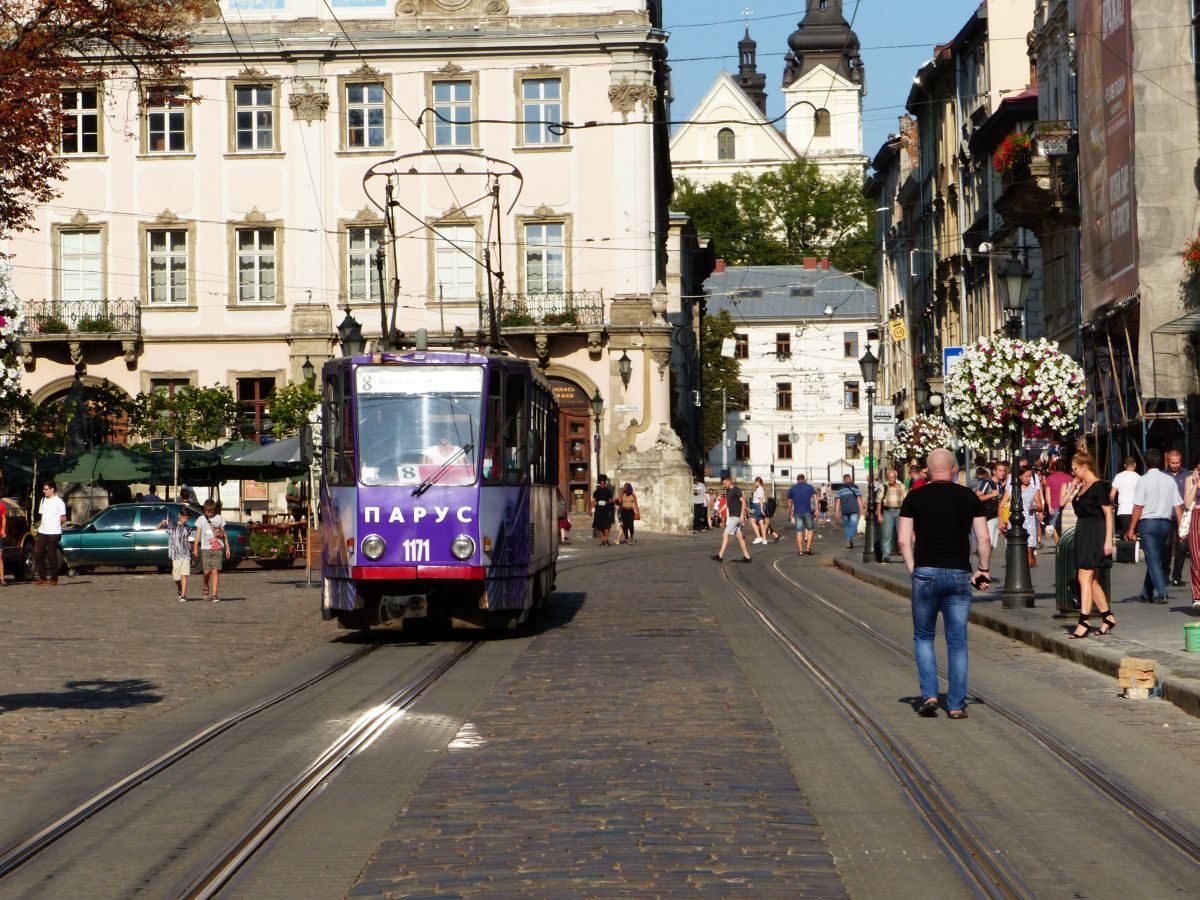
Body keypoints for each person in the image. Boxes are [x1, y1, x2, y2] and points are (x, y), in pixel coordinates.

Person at [897, 448, 991, 720]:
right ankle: (955, 705)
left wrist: (914, 569)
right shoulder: (969, 496)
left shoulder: (914, 496)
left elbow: (904, 540)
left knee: (924, 637)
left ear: (927, 471)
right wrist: (983, 569)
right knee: (957, 643)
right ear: (954, 471)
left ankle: (928, 695)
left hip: (926, 573)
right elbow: (983, 539)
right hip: (960, 574)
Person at [1123, 448, 1183, 604]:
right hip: (1165, 523)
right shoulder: (1169, 480)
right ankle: (1146, 592)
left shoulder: (1143, 480)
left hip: (1148, 523)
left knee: (1152, 558)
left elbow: (1138, 506)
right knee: (1155, 557)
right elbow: (1178, 507)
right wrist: (1182, 528)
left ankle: (1162, 592)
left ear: (1145, 463)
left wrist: (1131, 528)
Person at [1067, 447, 1115, 638]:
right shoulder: (1082, 486)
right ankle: (1107, 616)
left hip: (1095, 531)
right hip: (1083, 530)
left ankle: (1084, 620)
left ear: (1085, 467)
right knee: (1091, 578)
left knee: (1083, 576)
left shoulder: (1098, 486)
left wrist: (1108, 540)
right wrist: (1073, 488)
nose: (1074, 472)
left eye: (1075, 468)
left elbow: (1108, 514)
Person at [193, 499, 230, 602]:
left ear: (215, 511)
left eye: (211, 512)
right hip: (205, 548)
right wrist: (195, 548)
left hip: (217, 548)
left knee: (215, 571)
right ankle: (205, 585)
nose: (209, 514)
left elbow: (224, 534)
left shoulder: (219, 518)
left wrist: (227, 548)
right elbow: (198, 535)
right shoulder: (201, 519)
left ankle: (214, 594)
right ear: (204, 510)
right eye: (207, 512)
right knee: (206, 571)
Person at [712, 474, 752, 563]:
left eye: (725, 483)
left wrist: (742, 515)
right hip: (733, 516)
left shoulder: (736, 490)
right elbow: (727, 503)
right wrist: (719, 511)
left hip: (736, 517)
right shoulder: (728, 491)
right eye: (723, 484)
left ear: (729, 481)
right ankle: (747, 557)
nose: (724, 485)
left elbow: (743, 502)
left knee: (725, 534)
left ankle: (720, 556)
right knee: (739, 537)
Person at [34, 482, 67, 586]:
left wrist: (56, 524)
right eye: (44, 489)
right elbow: (42, 515)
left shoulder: (59, 502)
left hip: (54, 532)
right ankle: (42, 578)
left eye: (46, 489)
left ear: (52, 489)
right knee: (39, 553)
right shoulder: (43, 500)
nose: (44, 491)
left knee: (52, 554)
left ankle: (54, 579)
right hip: (43, 530)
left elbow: (63, 518)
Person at [1165, 449, 1190, 587]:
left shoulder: (1187, 475)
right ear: (1168, 461)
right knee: (1167, 546)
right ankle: (1165, 575)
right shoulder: (1163, 475)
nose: (1175, 465)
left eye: (1178, 462)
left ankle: (1177, 576)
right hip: (1167, 515)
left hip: (1183, 516)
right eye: (1173, 462)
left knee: (1181, 547)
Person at [158, 507, 194, 602]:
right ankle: (180, 587)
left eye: (187, 518)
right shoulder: (173, 526)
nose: (185, 520)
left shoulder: (188, 528)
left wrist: (192, 551)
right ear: (180, 516)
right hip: (175, 554)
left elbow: (189, 541)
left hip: (186, 554)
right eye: (184, 517)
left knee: (184, 574)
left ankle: (183, 595)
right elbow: (158, 529)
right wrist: (161, 523)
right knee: (176, 577)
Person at [876, 468, 907, 562]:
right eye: (890, 477)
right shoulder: (883, 487)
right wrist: (879, 515)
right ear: (887, 478)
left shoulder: (901, 486)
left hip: (900, 512)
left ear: (896, 477)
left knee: (902, 535)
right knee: (887, 535)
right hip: (888, 512)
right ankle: (886, 556)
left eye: (893, 477)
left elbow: (906, 501)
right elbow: (878, 502)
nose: (891, 479)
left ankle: (906, 556)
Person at [1042, 457, 1073, 545]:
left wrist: (1049, 506)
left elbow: (1047, 494)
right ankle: (1064, 545)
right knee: (1064, 527)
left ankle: (1058, 545)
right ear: (1064, 467)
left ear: (1055, 467)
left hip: (1054, 506)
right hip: (1066, 506)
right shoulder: (1069, 478)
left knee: (1054, 527)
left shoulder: (1050, 478)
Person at [1017, 466, 1044, 568]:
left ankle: (1028, 563)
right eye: (1026, 476)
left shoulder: (1034, 489)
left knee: (1029, 548)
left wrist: (1035, 507)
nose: (1029, 478)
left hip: (1030, 520)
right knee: (1018, 547)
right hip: (1017, 520)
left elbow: (1040, 506)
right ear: (1020, 476)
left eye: (1030, 476)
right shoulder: (1014, 488)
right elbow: (1003, 504)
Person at [1183, 464, 1200, 611]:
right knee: (1196, 558)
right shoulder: (1190, 479)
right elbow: (1187, 503)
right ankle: (1197, 596)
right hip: (1195, 518)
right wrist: (1195, 485)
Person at [787, 473, 818, 556]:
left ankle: (800, 551)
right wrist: (817, 509)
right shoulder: (809, 487)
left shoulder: (792, 488)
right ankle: (808, 548)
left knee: (799, 531)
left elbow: (789, 501)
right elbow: (815, 497)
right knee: (810, 529)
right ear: (804, 479)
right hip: (807, 511)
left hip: (797, 513)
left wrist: (790, 511)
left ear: (797, 479)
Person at [1110, 456, 1140, 537]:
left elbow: (1112, 495)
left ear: (1124, 465)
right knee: (1134, 534)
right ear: (1135, 465)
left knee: (1125, 535)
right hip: (1136, 510)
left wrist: (1112, 505)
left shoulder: (1118, 476)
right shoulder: (1139, 478)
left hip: (1123, 510)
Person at [833, 474, 864, 549]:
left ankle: (849, 539)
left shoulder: (840, 488)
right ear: (850, 479)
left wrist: (837, 511)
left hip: (845, 510)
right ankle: (849, 539)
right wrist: (861, 510)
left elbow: (838, 501)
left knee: (848, 525)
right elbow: (859, 499)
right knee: (853, 525)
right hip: (853, 509)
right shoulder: (855, 487)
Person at [591, 475, 615, 546]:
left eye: (603, 483)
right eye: (601, 483)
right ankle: (603, 540)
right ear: (599, 484)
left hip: (606, 510)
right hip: (598, 510)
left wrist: (612, 501)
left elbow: (610, 500)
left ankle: (605, 539)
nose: (602, 485)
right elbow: (594, 501)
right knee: (600, 526)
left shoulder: (608, 491)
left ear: (605, 483)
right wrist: (591, 509)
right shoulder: (596, 492)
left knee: (606, 525)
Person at [0, 496, 6, 586]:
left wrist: (3, 529)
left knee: (0, 556)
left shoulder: (1, 505)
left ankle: (2, 578)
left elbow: (4, 517)